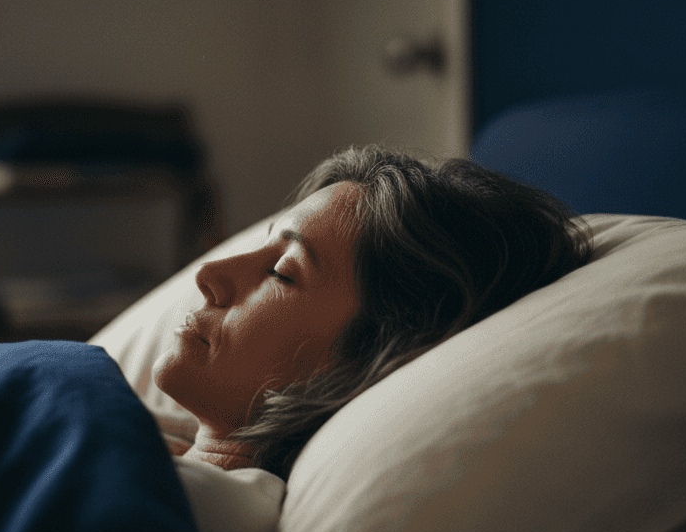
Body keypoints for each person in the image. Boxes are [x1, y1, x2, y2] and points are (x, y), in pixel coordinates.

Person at [153, 145, 593, 478]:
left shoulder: (183, 510)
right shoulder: (142, 438)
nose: (208, 273)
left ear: (369, 359)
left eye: (283, 272)